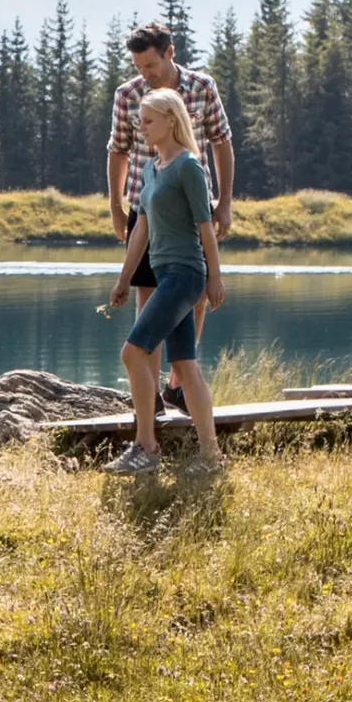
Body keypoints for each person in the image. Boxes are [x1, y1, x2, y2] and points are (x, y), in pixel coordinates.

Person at [106, 22, 235, 413]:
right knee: (149, 302)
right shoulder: (128, 95)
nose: (145, 74)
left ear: (170, 53)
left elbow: (221, 141)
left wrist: (224, 201)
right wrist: (115, 206)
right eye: (139, 66)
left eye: (151, 65)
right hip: (144, 210)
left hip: (191, 211)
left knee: (192, 297)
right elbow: (118, 150)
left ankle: (178, 384)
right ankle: (152, 400)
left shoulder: (202, 88)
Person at [104, 89, 227, 475]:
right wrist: (124, 278)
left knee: (132, 352)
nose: (142, 128)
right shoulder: (152, 169)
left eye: (148, 121)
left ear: (171, 120)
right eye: (140, 121)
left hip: (185, 275)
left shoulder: (189, 167)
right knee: (186, 368)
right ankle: (211, 457)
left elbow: (205, 228)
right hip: (163, 274)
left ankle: (147, 446)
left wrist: (215, 278)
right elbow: (140, 226)